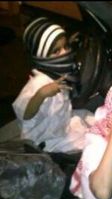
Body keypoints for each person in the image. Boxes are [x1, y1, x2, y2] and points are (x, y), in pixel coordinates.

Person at [12, 17, 94, 153]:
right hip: (45, 139)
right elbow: (24, 114)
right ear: (42, 56)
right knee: (91, 142)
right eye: (56, 51)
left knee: (90, 117)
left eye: (66, 47)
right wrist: (41, 94)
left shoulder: (55, 72)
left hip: (61, 123)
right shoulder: (39, 83)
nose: (65, 53)